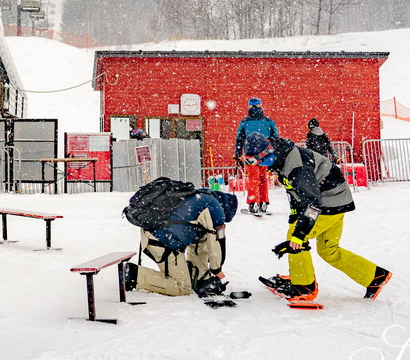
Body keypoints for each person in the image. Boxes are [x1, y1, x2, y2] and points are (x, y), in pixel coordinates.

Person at [242, 132, 392, 303]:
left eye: (255, 160)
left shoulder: (295, 165)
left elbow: (312, 202)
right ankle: (374, 276)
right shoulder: (281, 157)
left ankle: (304, 286)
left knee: (295, 237)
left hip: (329, 202)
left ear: (267, 151)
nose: (258, 165)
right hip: (336, 199)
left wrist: (298, 234)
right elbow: (295, 194)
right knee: (329, 250)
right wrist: (294, 218)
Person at [123, 187, 239, 298]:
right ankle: (134, 275)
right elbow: (216, 243)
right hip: (163, 241)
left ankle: (195, 274)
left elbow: (200, 243)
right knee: (182, 287)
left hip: (155, 235)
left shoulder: (201, 197)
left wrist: (201, 276)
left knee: (203, 236)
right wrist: (216, 269)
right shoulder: (215, 209)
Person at [234, 97, 279, 214]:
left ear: (249, 107)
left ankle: (253, 203)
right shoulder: (268, 121)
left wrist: (238, 154)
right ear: (261, 106)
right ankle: (264, 202)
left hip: (250, 154)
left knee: (253, 179)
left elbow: (239, 139)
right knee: (263, 178)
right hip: (265, 154)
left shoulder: (244, 122)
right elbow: (276, 138)